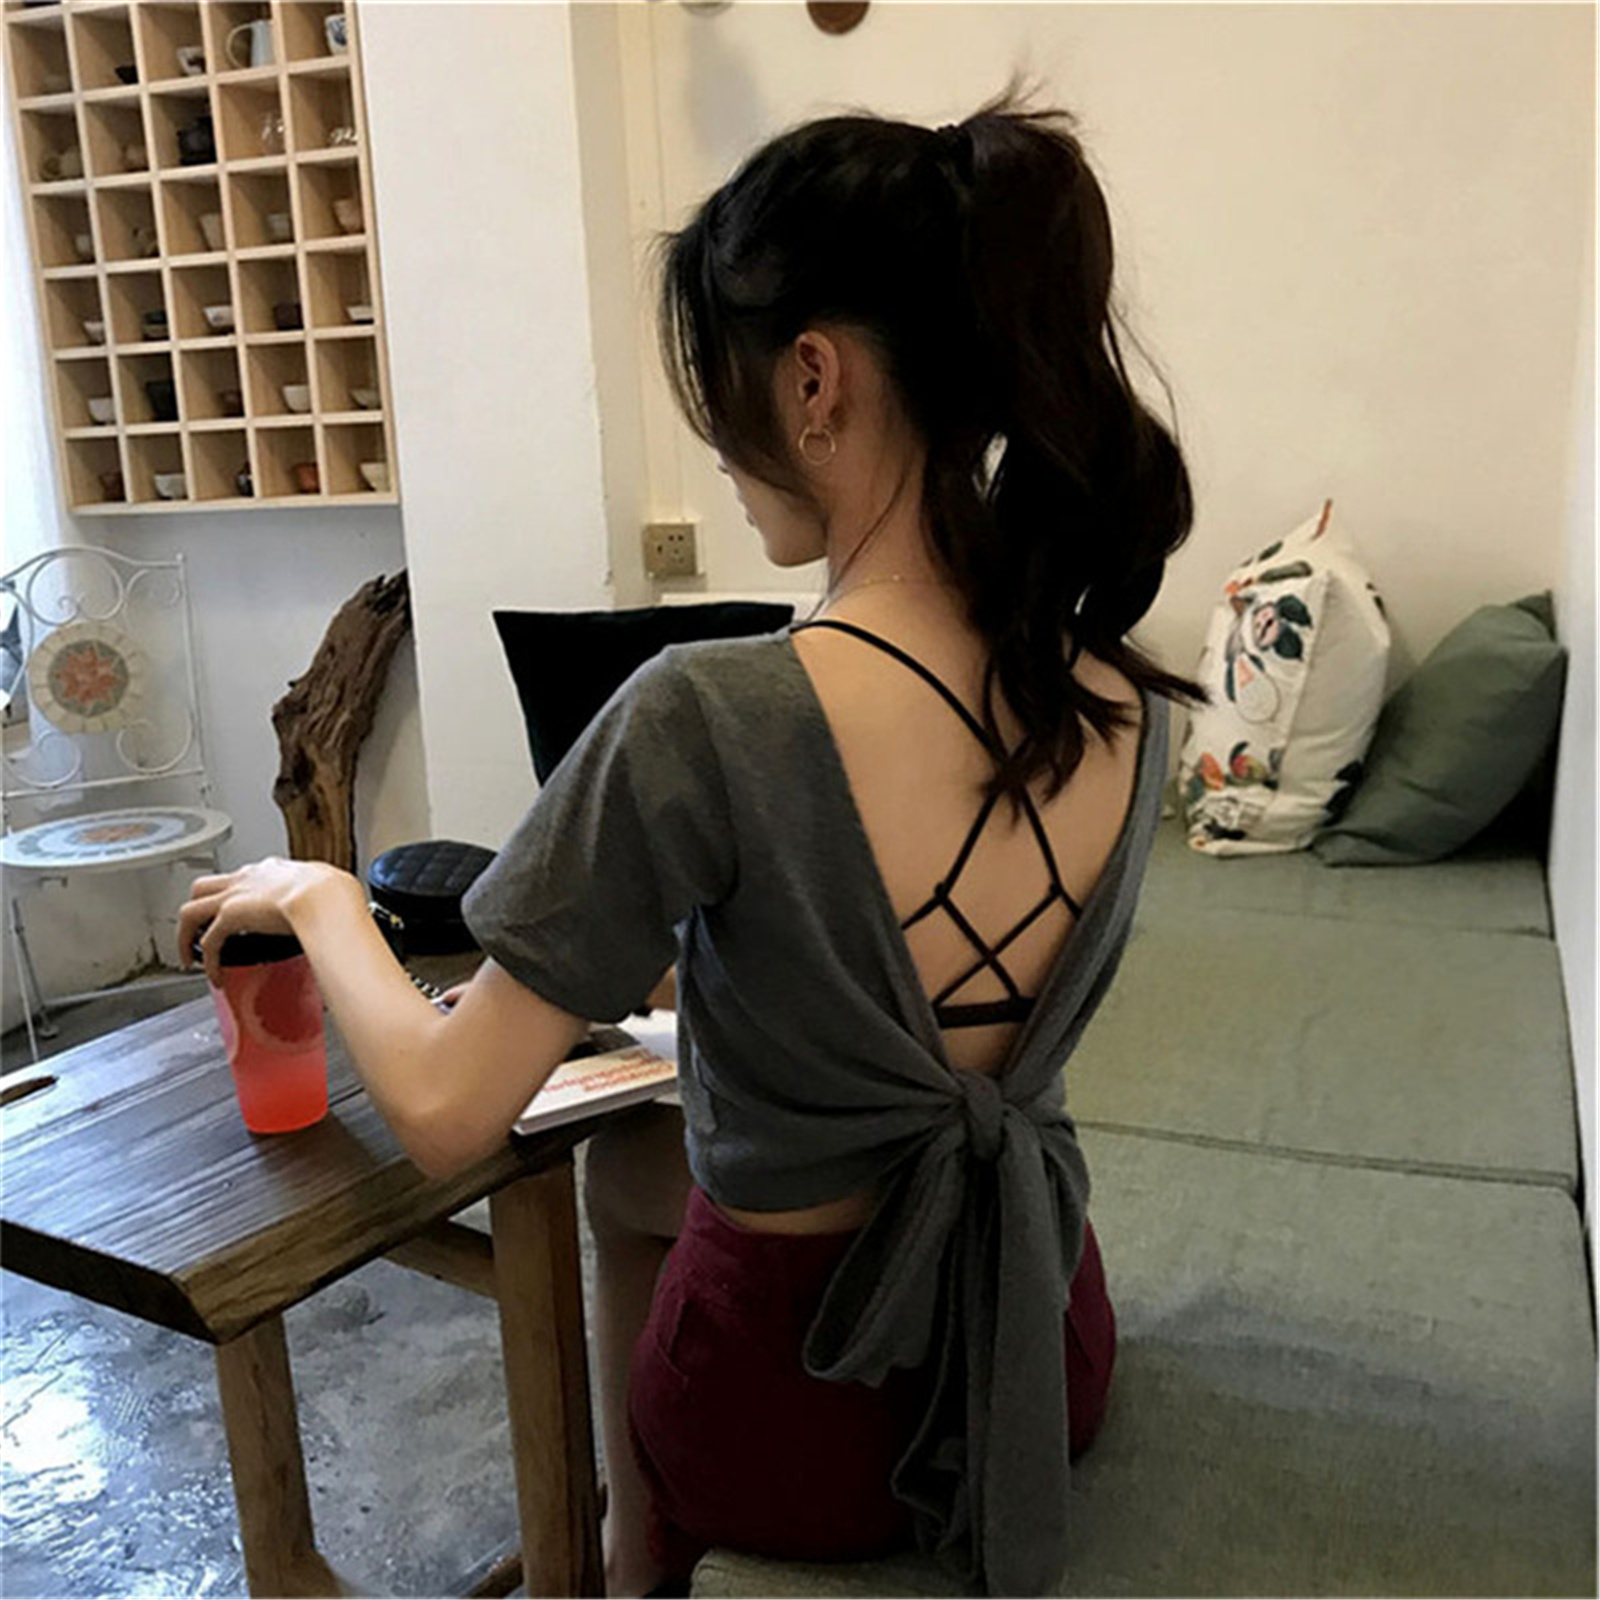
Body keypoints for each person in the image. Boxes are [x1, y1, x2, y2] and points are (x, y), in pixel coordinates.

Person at [178, 80, 1209, 1600]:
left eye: (721, 388)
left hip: (803, 1426)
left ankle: (622, 1549)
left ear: (813, 379)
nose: (720, 445)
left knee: (620, 1177)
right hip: (1039, 1353)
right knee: (644, 1158)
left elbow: (452, 1115)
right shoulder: (1120, 693)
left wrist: (326, 895)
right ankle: (619, 1552)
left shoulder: (710, 713)